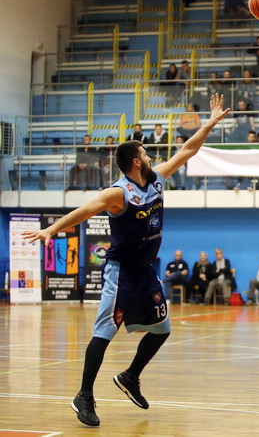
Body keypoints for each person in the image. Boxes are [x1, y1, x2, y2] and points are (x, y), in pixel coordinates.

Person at [22, 93, 229, 427]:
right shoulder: (118, 193)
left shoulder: (157, 178)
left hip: (144, 271)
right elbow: (83, 211)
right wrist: (51, 229)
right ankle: (84, 395)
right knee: (104, 333)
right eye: (145, 154)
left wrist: (210, 123)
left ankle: (130, 376)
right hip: (120, 274)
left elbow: (187, 150)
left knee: (161, 330)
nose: (150, 156)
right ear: (135, 161)